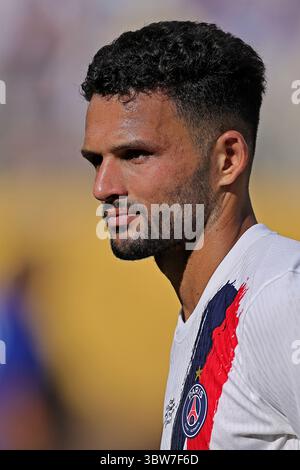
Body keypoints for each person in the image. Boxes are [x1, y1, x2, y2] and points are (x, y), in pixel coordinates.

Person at [80, 21, 300, 450]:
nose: (103, 187)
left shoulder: (278, 297)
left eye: (134, 154)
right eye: (96, 160)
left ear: (228, 159)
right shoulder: (203, 310)